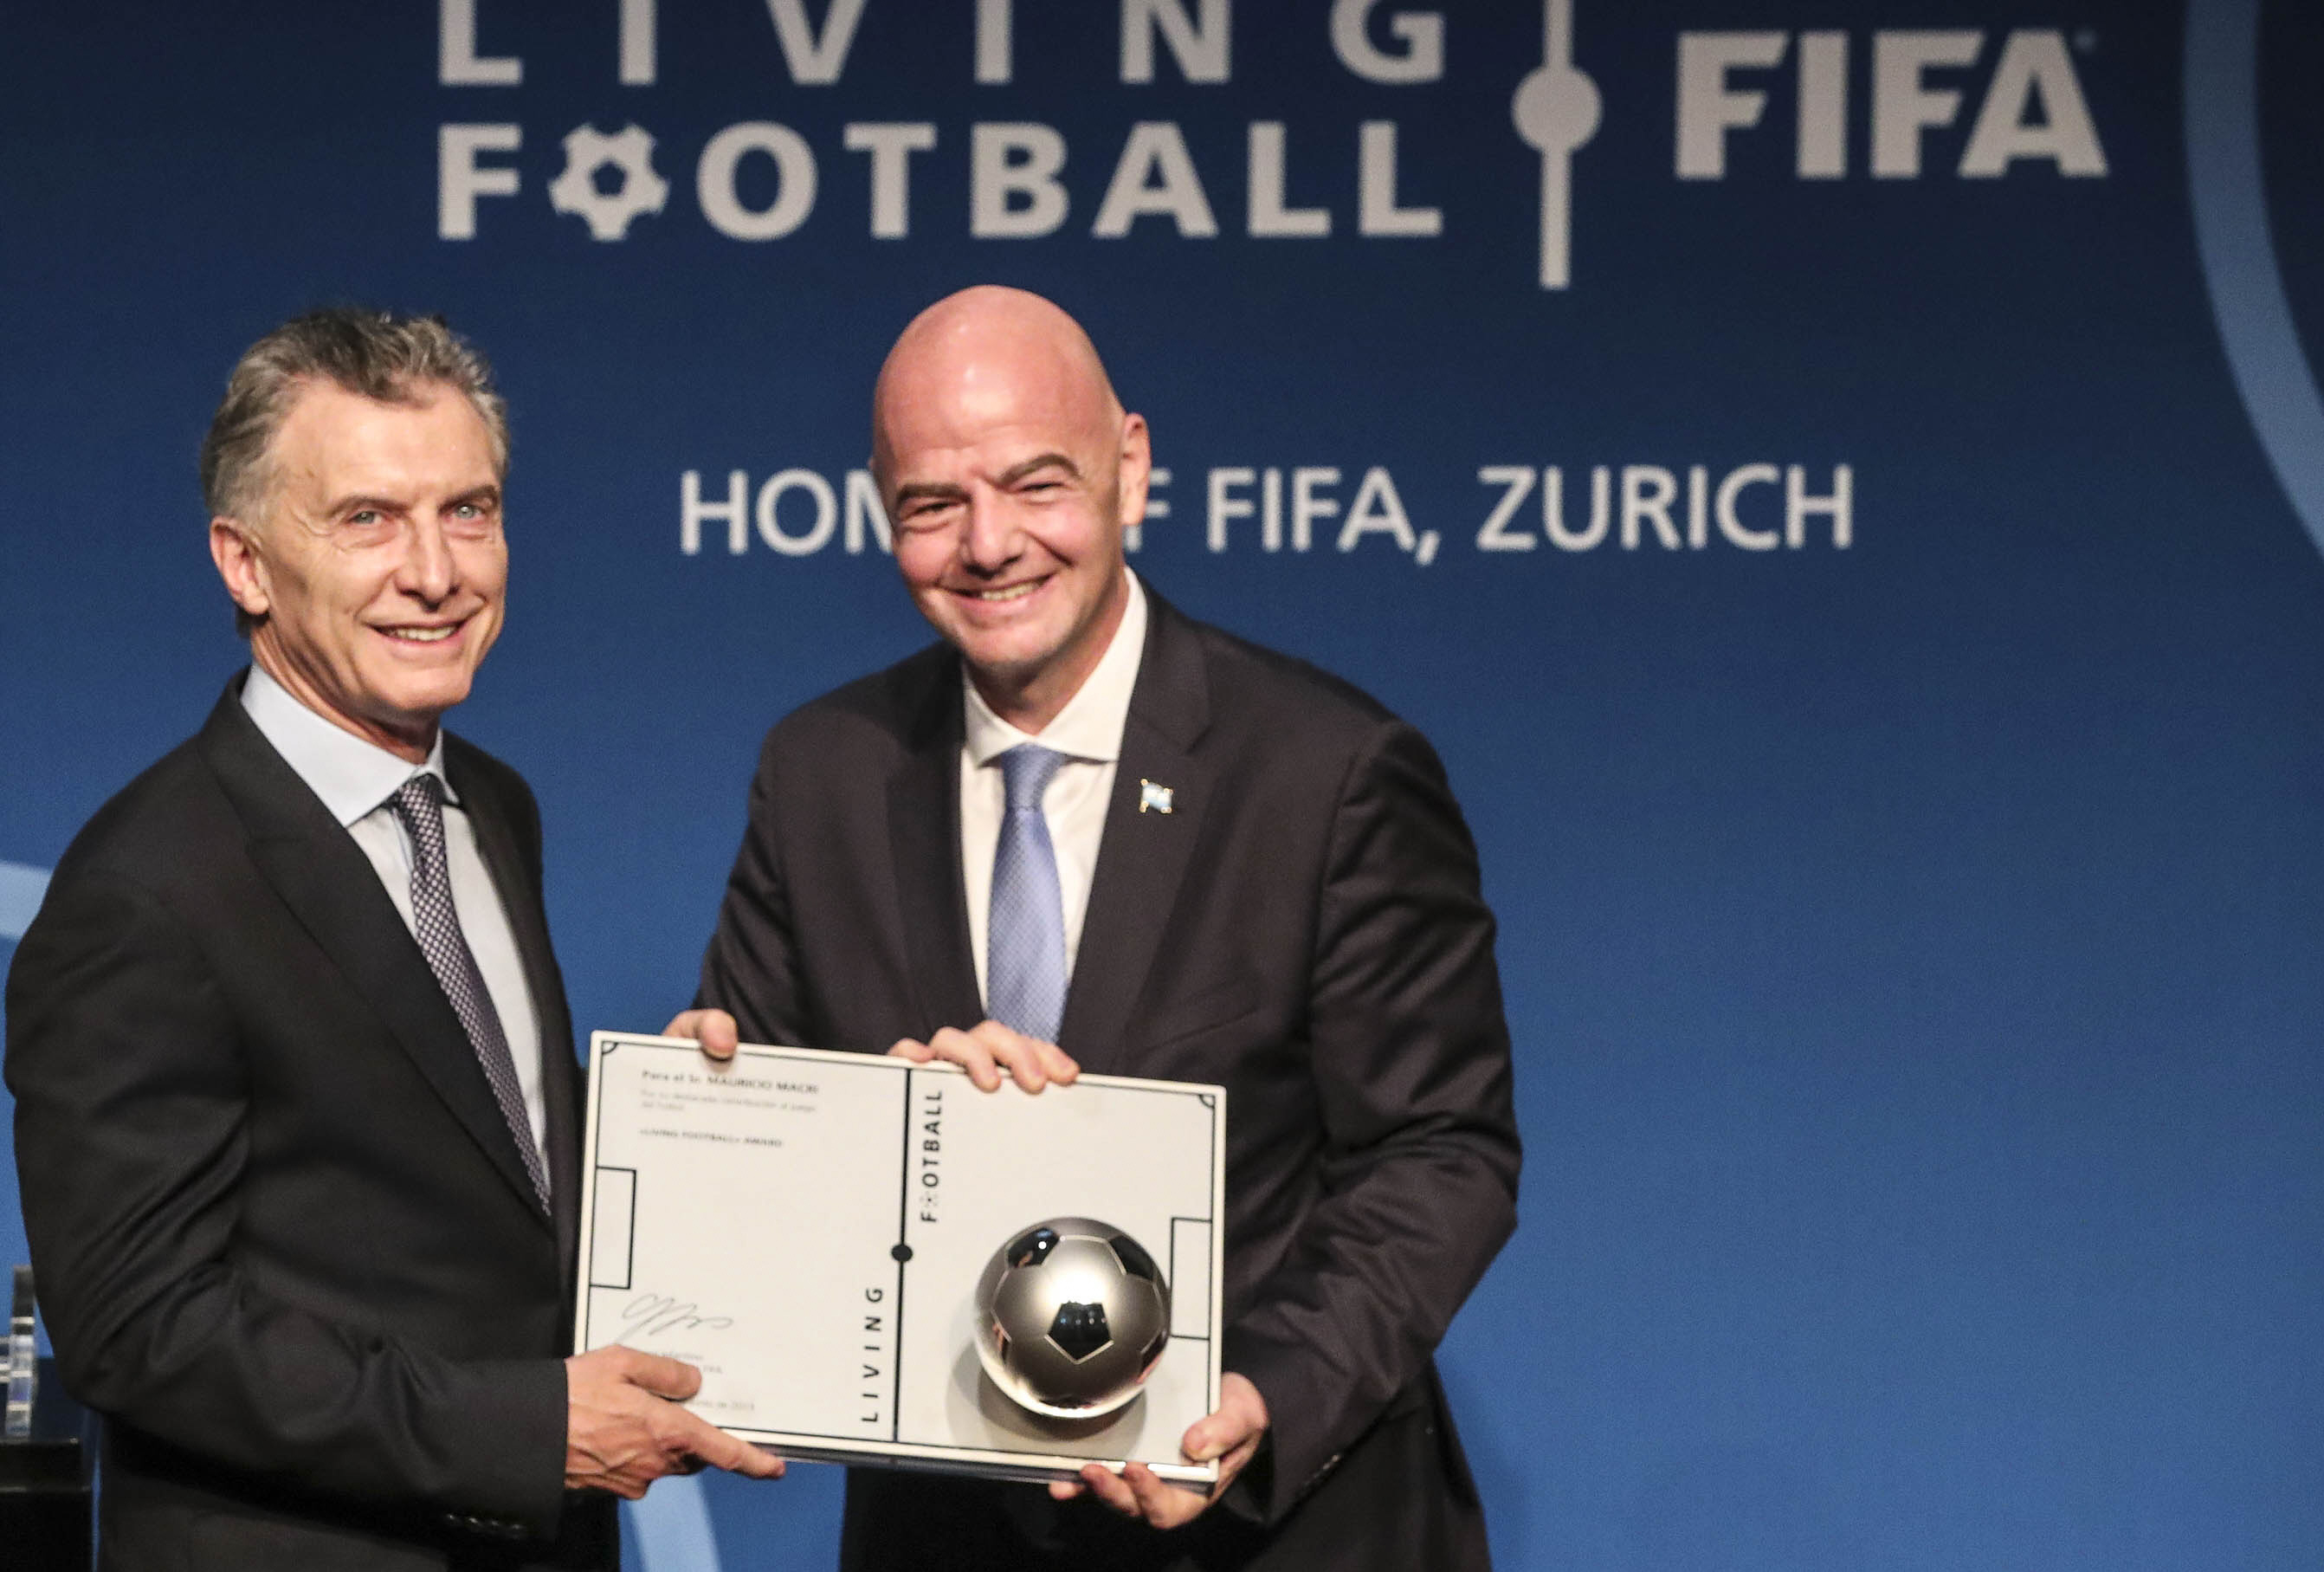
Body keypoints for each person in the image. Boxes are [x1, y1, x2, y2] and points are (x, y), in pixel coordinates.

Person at [669, 285, 1520, 1569]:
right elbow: (762, 1176)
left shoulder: (1327, 771)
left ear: (1130, 468)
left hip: (1273, 1528)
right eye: (932, 505)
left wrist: (1260, 1398)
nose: (988, 543)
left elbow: (1441, 1151)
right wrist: (804, 1128)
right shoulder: (822, 774)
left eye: (1035, 484)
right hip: (949, 1542)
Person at [5, 308, 780, 1570]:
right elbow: (138, 1326)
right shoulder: (145, 888)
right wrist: (524, 1433)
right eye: (367, 519)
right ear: (246, 564)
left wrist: (699, 1125)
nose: (436, 572)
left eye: (468, 511)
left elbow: (467, 1176)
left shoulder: (491, 804)